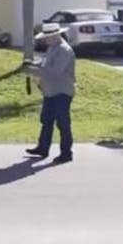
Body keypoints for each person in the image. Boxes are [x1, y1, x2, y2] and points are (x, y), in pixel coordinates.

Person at [26, 23, 76, 164]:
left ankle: (66, 153)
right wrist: (33, 64)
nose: (45, 40)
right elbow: (46, 64)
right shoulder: (52, 48)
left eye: (47, 37)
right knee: (46, 120)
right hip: (50, 91)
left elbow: (55, 72)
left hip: (61, 91)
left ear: (55, 35)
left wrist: (32, 71)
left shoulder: (64, 50)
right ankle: (43, 148)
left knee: (63, 123)